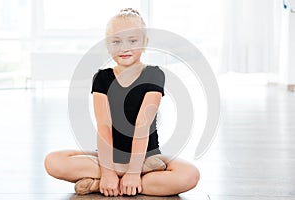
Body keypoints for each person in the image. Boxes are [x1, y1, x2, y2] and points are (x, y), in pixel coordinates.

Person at [44, 8, 200, 197]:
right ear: (107, 45)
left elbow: (142, 125)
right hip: (110, 157)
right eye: (116, 41)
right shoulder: (102, 78)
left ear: (144, 42)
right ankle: (123, 178)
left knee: (189, 175)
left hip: (148, 156)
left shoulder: (154, 74)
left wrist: (134, 172)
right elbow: (104, 126)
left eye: (132, 41)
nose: (124, 48)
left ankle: (101, 184)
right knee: (53, 161)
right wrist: (109, 170)